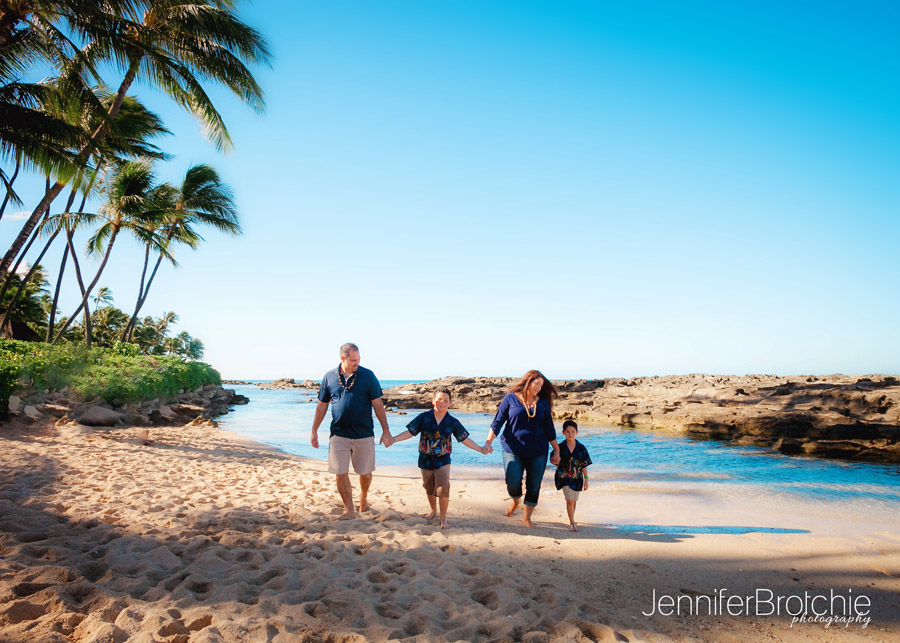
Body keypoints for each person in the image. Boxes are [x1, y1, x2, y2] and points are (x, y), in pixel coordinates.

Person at [310, 343, 393, 520]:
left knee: (365, 472)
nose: (357, 363)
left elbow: (378, 404)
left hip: (363, 434)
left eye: (359, 359)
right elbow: (322, 405)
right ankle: (349, 510)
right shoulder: (329, 377)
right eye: (354, 360)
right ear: (343, 359)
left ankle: (363, 496)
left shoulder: (368, 376)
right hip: (339, 434)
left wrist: (386, 431)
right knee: (340, 472)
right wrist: (314, 431)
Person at [389, 388, 487, 529]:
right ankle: (433, 510)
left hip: (443, 459)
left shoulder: (452, 421)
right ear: (433, 401)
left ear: (450, 403)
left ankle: (443, 519)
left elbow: (464, 439)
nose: (442, 402)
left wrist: (480, 448)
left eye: (446, 400)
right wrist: (393, 439)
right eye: (439, 399)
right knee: (429, 488)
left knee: (443, 487)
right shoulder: (424, 417)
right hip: (425, 459)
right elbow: (410, 432)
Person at [483, 369, 561, 527]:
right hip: (512, 449)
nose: (539, 387)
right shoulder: (510, 399)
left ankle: (526, 517)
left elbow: (549, 429)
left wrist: (557, 450)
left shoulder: (543, 403)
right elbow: (497, 422)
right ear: (528, 381)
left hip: (538, 451)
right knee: (512, 482)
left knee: (534, 485)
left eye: (541, 385)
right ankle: (515, 501)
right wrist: (488, 442)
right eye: (536, 383)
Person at [554, 420, 592, 531]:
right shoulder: (559, 447)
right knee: (569, 500)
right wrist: (555, 459)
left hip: (577, 478)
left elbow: (584, 464)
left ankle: (572, 519)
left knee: (574, 501)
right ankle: (572, 523)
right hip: (564, 477)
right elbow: (553, 460)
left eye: (572, 431)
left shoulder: (581, 448)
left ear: (577, 432)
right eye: (567, 432)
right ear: (563, 433)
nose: (570, 434)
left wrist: (586, 479)